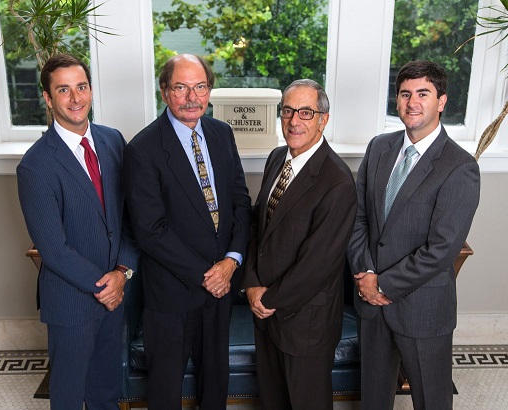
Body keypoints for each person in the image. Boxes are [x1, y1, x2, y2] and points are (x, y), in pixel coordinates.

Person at [347, 60, 481, 410]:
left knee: (431, 401)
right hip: (371, 301)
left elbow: (442, 249)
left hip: (423, 308)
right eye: (405, 93)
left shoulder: (460, 166)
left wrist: (383, 285)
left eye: (423, 93)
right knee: (374, 399)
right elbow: (357, 218)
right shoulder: (379, 147)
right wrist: (365, 276)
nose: (412, 102)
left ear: (441, 101)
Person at [123, 54, 251, 410]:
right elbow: (150, 231)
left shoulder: (221, 133)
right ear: (165, 92)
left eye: (200, 87)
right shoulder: (142, 149)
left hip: (221, 287)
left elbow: (241, 202)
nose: (191, 97)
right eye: (181, 87)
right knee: (165, 390)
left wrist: (231, 261)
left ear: (209, 91)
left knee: (215, 384)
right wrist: (205, 275)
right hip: (172, 294)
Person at [17, 53, 139, 409]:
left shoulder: (113, 141)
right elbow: (53, 249)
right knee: (69, 398)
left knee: (106, 394)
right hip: (72, 303)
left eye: (81, 87)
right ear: (48, 97)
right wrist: (107, 286)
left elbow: (131, 219)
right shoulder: (36, 165)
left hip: (115, 296)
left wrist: (122, 273)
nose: (76, 98)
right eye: (64, 89)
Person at [242, 79, 358, 410]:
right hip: (264, 312)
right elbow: (257, 227)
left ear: (324, 119)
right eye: (288, 111)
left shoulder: (337, 182)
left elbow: (318, 263)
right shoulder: (277, 158)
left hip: (305, 322)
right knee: (273, 401)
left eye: (306, 112)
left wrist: (269, 298)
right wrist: (251, 284)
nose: (295, 121)